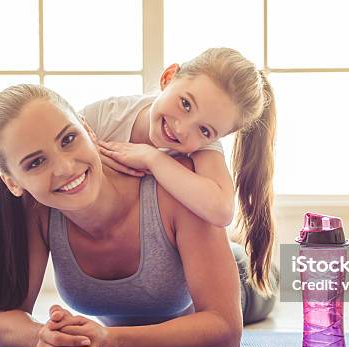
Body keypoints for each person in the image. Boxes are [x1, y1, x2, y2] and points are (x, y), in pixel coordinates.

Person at [0, 84, 275, 347]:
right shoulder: (36, 212)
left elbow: (224, 328)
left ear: (88, 129)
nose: (65, 168)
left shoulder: (178, 190)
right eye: (35, 162)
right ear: (12, 181)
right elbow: (0, 322)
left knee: (279, 276)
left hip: (244, 281)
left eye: (68, 139)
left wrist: (113, 343)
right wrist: (47, 341)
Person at [91, 47, 276, 297]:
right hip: (141, 282)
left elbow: (221, 210)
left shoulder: (203, 149)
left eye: (205, 131)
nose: (181, 128)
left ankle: (268, 276)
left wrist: (152, 158)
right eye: (186, 104)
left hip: (236, 281)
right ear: (168, 77)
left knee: (257, 282)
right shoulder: (107, 116)